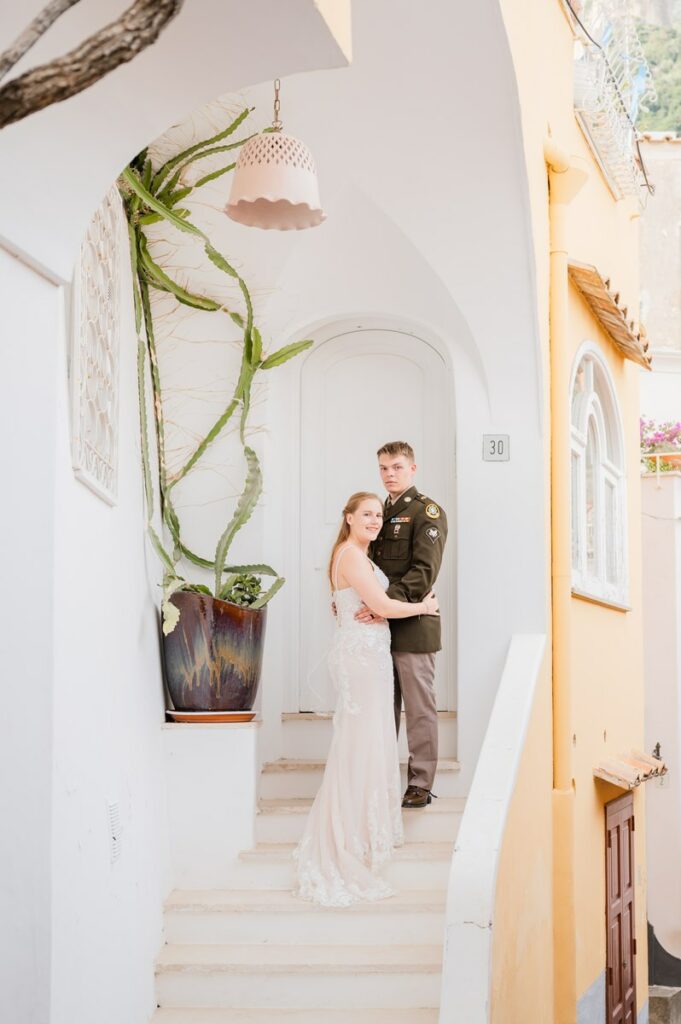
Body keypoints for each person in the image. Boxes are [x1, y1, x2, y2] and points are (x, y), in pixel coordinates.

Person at [293, 491, 439, 907]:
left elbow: (361, 605)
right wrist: (424, 606)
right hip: (362, 659)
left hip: (368, 654)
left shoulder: (355, 553)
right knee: (361, 742)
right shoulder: (351, 555)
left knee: (371, 740)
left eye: (378, 514)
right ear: (349, 518)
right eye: (367, 514)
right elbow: (378, 604)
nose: (375, 521)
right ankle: (349, 837)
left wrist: (388, 609)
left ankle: (363, 830)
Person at [356, 442, 447, 809]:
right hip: (378, 627)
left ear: (412, 469)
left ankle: (420, 784)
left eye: (396, 467)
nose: (389, 474)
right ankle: (380, 779)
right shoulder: (377, 512)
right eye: (383, 468)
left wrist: (385, 605)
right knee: (381, 706)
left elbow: (424, 573)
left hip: (412, 625)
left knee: (418, 707)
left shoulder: (427, 512)